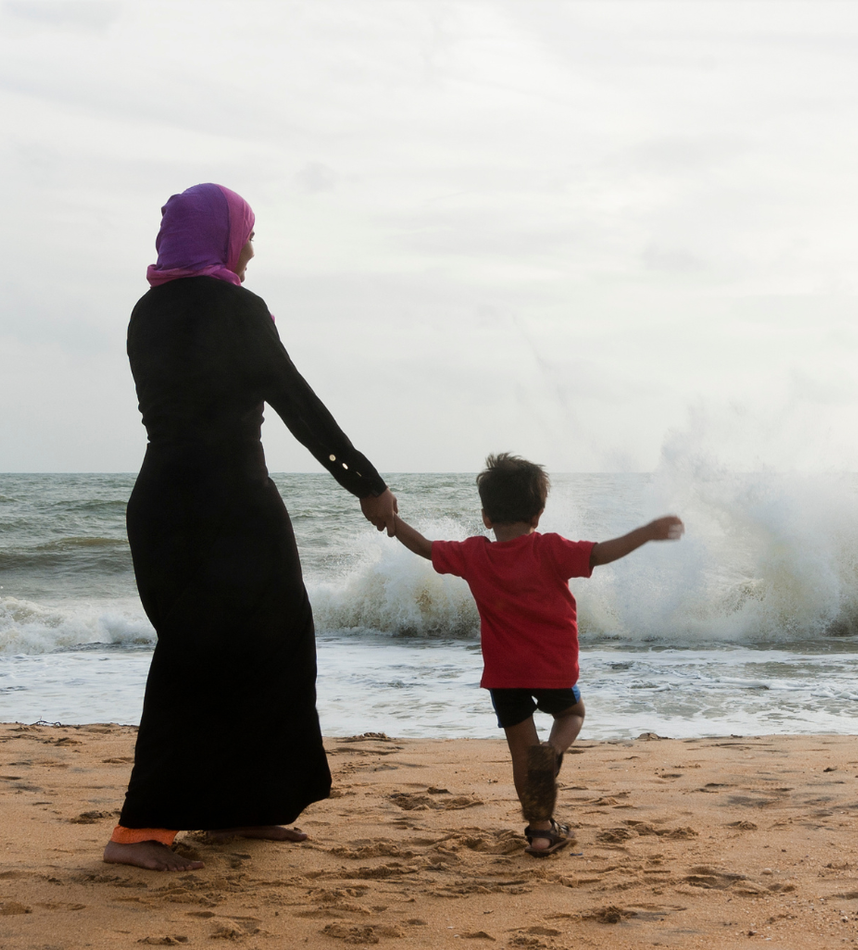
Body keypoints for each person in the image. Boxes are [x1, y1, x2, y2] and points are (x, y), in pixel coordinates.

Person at [104, 182, 397, 872]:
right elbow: (293, 398)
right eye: (248, 234)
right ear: (223, 237)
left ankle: (237, 810)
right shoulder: (237, 306)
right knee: (219, 657)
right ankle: (139, 833)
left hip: (163, 506)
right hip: (227, 508)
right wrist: (365, 482)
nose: (254, 247)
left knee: (244, 648)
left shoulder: (146, 311)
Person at [391, 453, 682, 856]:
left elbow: (424, 548)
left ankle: (541, 832)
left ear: (486, 517)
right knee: (571, 715)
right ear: (539, 514)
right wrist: (647, 531)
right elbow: (599, 552)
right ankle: (555, 752)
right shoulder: (550, 549)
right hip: (554, 667)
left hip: (504, 673)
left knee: (521, 752)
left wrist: (392, 521)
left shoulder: (474, 553)